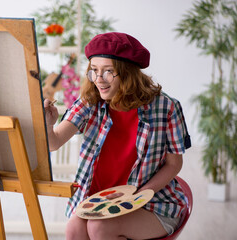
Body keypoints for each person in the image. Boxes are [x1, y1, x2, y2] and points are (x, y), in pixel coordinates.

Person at [44, 32, 191, 239]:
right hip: (99, 202)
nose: (99, 80)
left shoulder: (167, 108)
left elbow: (174, 164)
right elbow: (54, 143)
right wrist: (49, 125)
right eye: (94, 71)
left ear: (128, 73)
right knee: (74, 228)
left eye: (108, 72)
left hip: (153, 202)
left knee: (99, 227)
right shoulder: (90, 103)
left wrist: (139, 196)